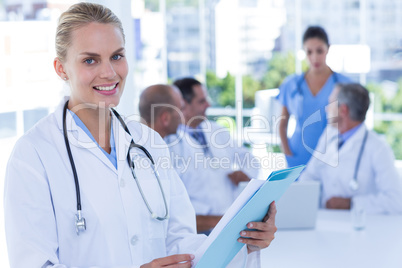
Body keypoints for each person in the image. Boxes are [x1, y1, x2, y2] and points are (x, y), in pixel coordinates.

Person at [3, 3, 277, 268]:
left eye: (117, 56)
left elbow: (182, 243)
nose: (109, 73)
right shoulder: (33, 155)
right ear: (61, 68)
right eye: (90, 60)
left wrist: (246, 239)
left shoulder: (149, 143)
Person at [170, 77, 260, 233]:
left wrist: (245, 175)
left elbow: (249, 159)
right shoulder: (169, 143)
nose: (208, 105)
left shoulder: (215, 130)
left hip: (228, 221)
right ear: (182, 105)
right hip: (196, 229)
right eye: (201, 101)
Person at [299, 83, 402, 214]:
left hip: (359, 227)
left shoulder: (378, 148)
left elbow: (396, 201)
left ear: (343, 110)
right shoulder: (329, 134)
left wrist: (351, 203)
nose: (326, 109)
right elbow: (309, 175)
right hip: (324, 221)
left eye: (330, 104)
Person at [277, 26, 351, 167]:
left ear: (328, 49)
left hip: (332, 157)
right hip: (297, 156)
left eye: (319, 51)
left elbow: (351, 124)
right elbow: (282, 125)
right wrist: (287, 153)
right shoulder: (291, 84)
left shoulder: (344, 84)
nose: (314, 57)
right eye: (309, 52)